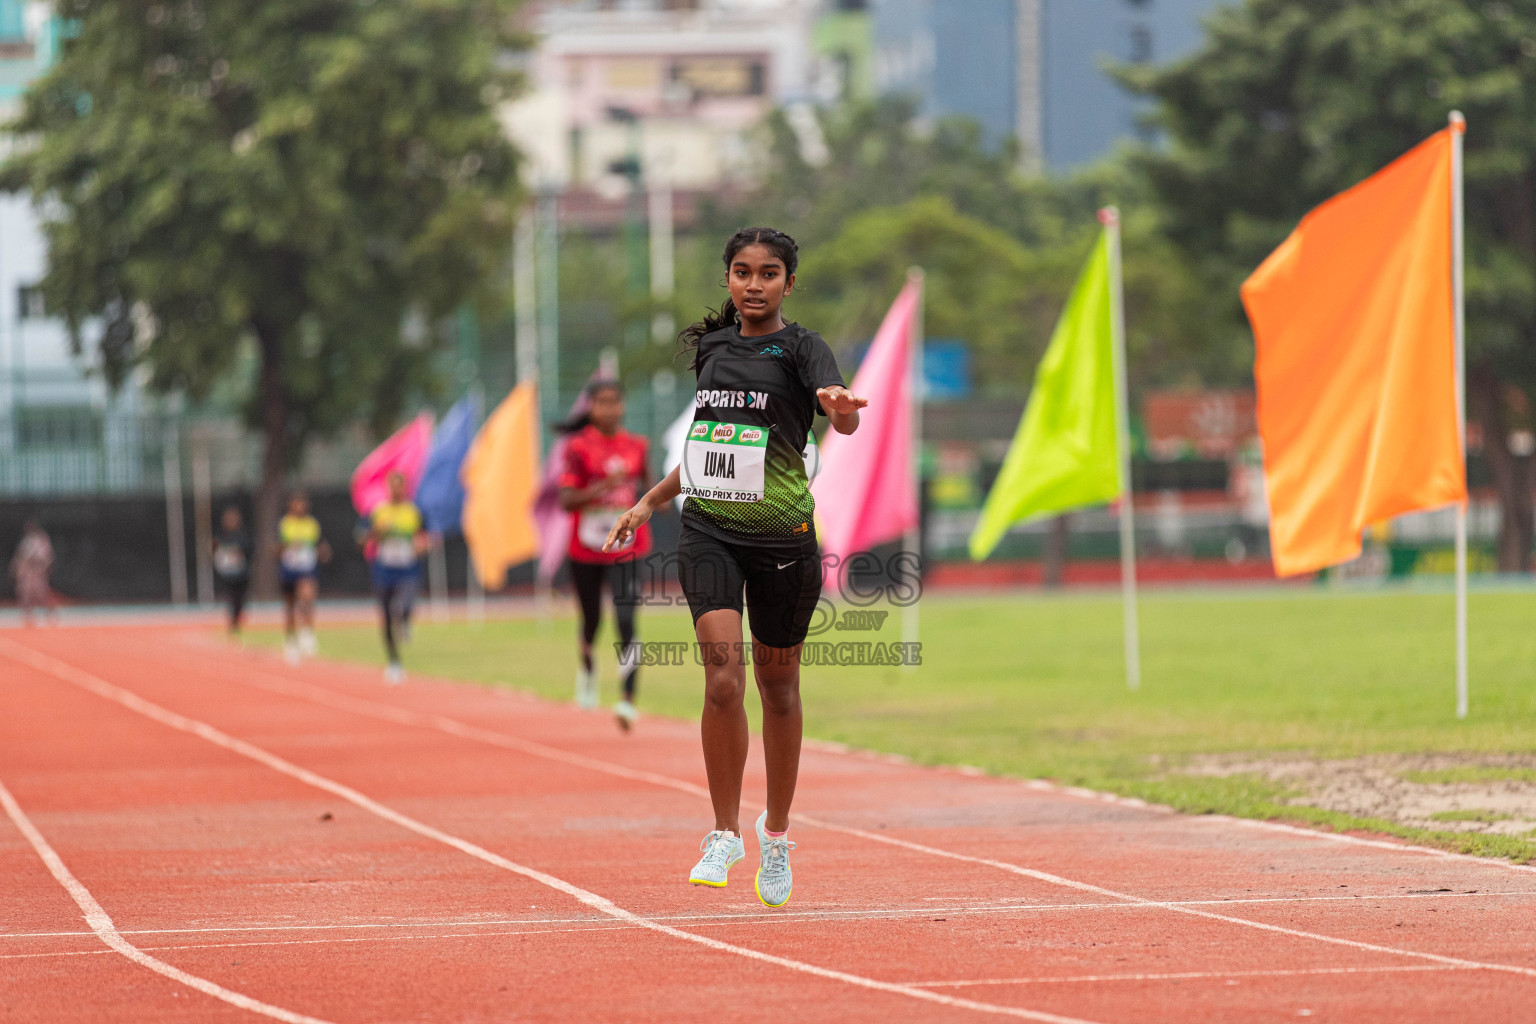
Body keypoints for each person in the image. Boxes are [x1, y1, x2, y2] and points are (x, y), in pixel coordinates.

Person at [604, 227, 865, 909]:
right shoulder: (714, 350)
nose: (755, 284)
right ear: (727, 278)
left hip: (783, 538)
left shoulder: (804, 348)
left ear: (788, 283)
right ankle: (723, 831)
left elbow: (839, 413)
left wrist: (838, 413)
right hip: (708, 529)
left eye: (769, 273)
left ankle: (775, 834)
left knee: (778, 688)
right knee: (723, 679)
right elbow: (708, 443)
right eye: (743, 272)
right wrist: (651, 500)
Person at [556, 379, 651, 729]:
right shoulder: (577, 448)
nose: (609, 408)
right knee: (592, 619)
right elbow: (566, 501)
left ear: (623, 405)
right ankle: (587, 670)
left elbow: (652, 492)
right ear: (591, 408)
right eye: (601, 402)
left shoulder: (638, 446)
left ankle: (627, 700)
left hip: (627, 548)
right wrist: (602, 488)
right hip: (586, 548)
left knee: (626, 621)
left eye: (614, 402)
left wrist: (660, 500)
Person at [366, 471, 428, 684]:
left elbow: (423, 537)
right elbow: (364, 539)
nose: (396, 490)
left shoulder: (413, 512)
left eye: (400, 486)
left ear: (405, 488)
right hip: (384, 569)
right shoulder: (378, 512)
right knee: (386, 617)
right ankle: (394, 661)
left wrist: (422, 545)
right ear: (388, 488)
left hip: (407, 568)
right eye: (393, 486)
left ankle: (406, 620)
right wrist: (376, 532)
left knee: (403, 605)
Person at [274, 492, 329, 663]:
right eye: (295, 503)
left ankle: (307, 634)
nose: (299, 507)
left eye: (302, 503)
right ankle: (291, 640)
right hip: (289, 568)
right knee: (290, 605)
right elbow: (275, 547)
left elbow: (320, 544)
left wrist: (323, 552)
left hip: (307, 568)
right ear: (290, 505)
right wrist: (287, 546)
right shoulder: (284, 524)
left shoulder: (312, 524)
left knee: (307, 598)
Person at [211, 506, 254, 638]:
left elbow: (249, 552)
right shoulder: (221, 537)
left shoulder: (243, 537)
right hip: (227, 575)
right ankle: (232, 623)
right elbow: (215, 553)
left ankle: (237, 620)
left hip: (241, 575)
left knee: (240, 600)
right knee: (230, 599)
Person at [10, 520, 58, 626]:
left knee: (41, 595)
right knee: (25, 592)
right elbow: (21, 556)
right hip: (27, 571)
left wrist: (43, 569)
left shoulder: (42, 540)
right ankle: (28, 616)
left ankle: (50, 612)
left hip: (38, 570)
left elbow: (48, 557)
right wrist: (17, 569)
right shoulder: (26, 541)